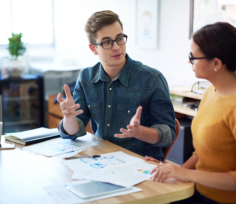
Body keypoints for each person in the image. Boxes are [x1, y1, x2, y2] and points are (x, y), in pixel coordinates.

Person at [57, 10, 176, 161]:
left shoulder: (152, 79)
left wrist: (139, 132)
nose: (116, 47)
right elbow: (74, 132)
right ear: (93, 48)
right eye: (107, 42)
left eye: (119, 38)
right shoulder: (86, 77)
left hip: (140, 164)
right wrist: (69, 119)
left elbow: (168, 135)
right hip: (101, 161)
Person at [148, 22, 236, 203]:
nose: (189, 61)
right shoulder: (211, 92)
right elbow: (203, 152)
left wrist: (185, 173)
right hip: (197, 191)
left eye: (193, 57)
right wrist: (171, 171)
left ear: (216, 63)